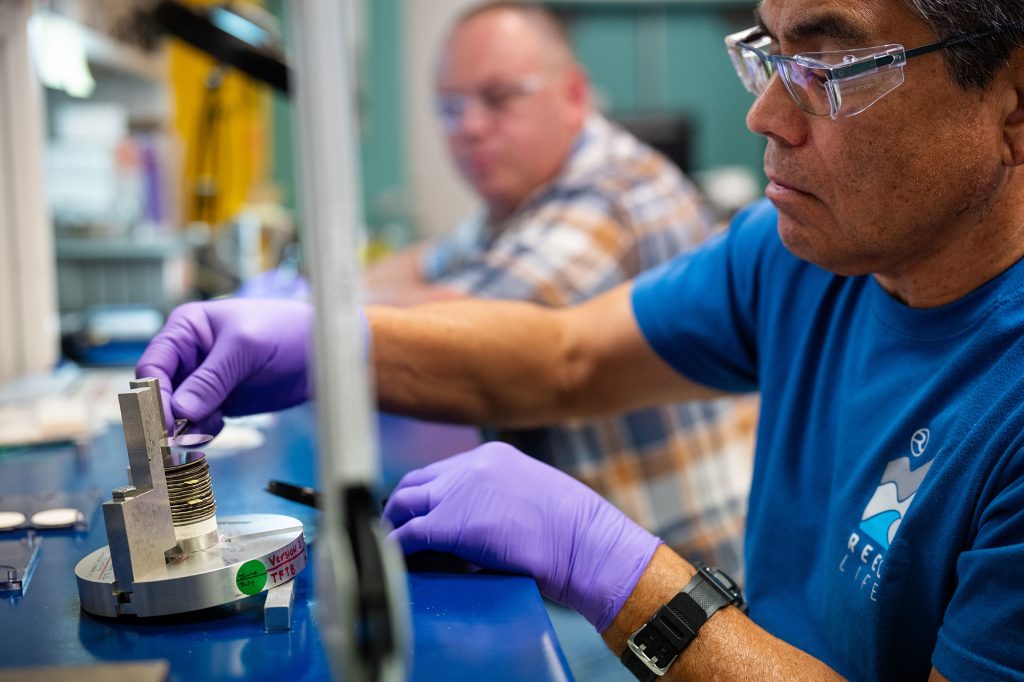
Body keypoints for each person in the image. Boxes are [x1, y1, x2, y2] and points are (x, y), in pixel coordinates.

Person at [136, 0, 1024, 678]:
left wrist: (616, 568)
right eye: (771, 55)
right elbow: (568, 357)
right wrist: (332, 344)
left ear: (1013, 99)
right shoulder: (803, 253)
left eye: (830, 67)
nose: (765, 119)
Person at [367, 2, 758, 577]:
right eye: (450, 107)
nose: (470, 125)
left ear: (573, 96)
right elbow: (422, 264)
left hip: (682, 593)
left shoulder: (610, 194)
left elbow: (458, 328)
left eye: (499, 98)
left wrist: (311, 316)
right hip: (603, 563)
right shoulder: (521, 202)